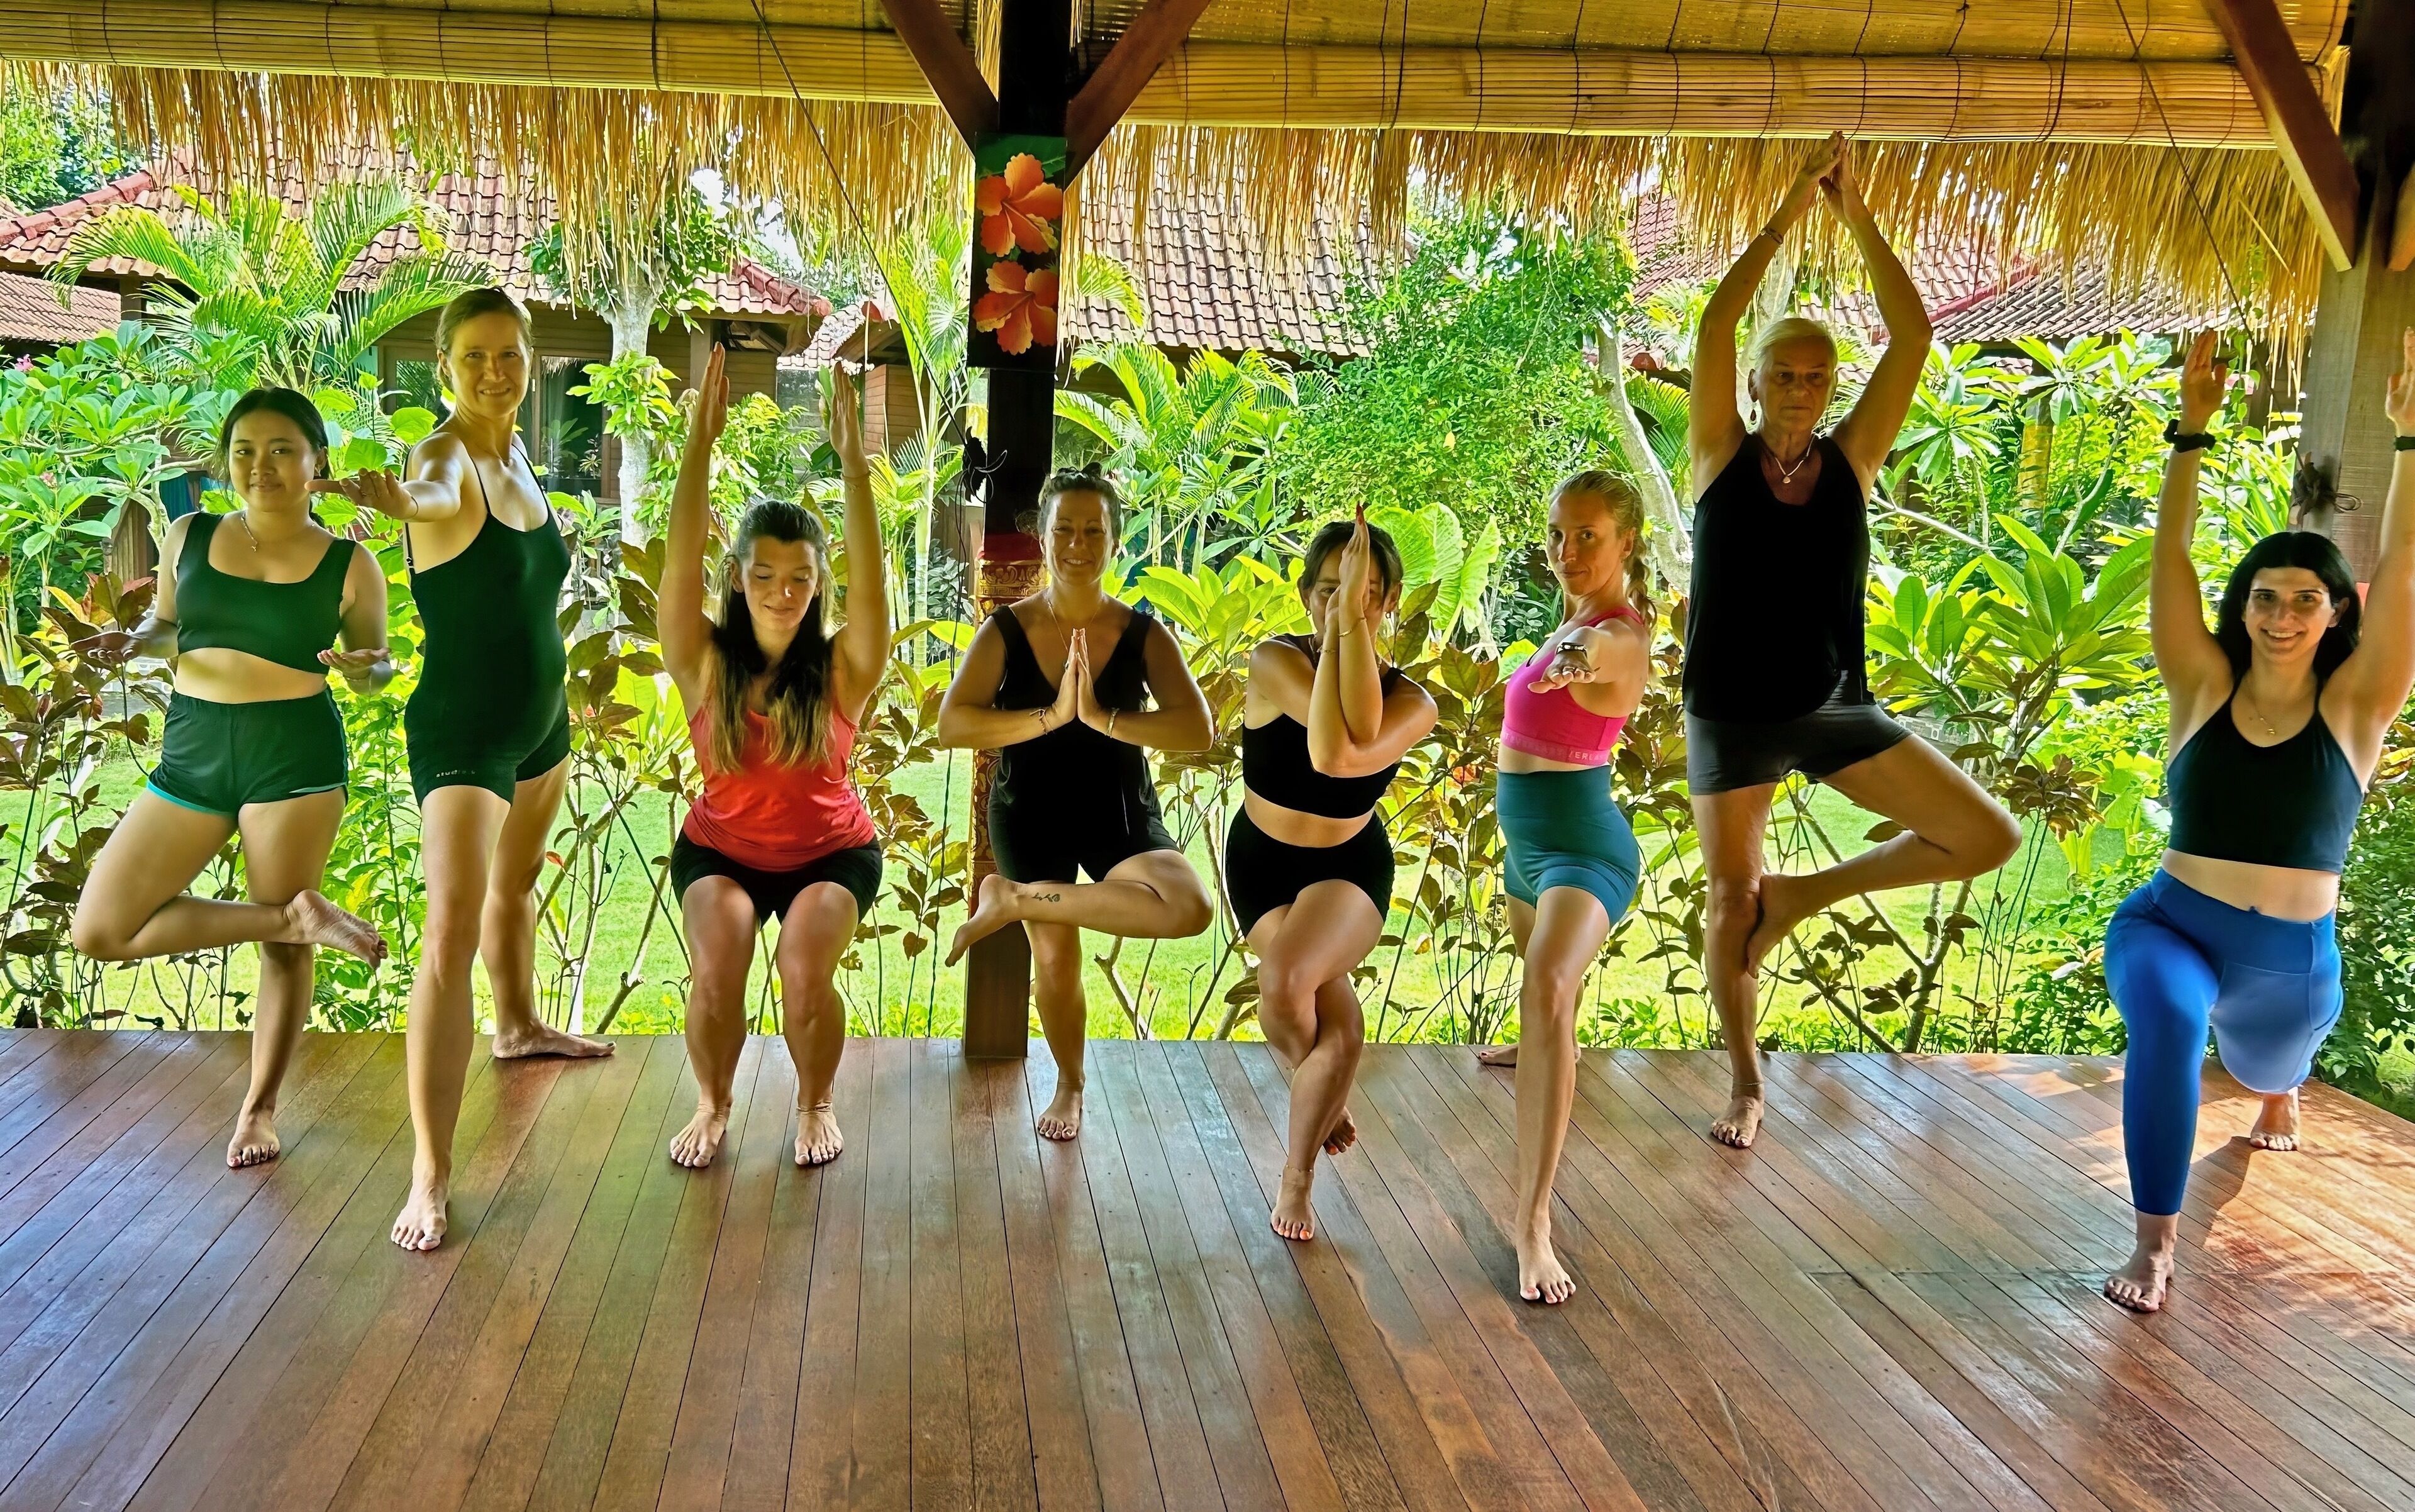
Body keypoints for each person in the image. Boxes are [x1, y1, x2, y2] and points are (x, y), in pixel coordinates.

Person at [1684, 133, 2020, 1150]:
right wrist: (1789, 208)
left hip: (1833, 706)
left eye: (1814, 374)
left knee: (1987, 837)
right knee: (1728, 896)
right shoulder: (1717, 453)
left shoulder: (1853, 458)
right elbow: (1714, 320)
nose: (1798, 387)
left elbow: (1912, 336)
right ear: (1753, 383)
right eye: (1782, 372)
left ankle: (1806, 898)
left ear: (1830, 386)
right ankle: (1746, 1081)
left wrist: (1857, 214)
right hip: (1733, 714)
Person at [2101, 331, 2415, 1313]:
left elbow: (2407, 577)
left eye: (2306, 601)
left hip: (2290, 966)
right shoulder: (2200, 684)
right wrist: (2187, 435)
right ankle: (2155, 1245)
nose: (2283, 616)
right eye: (2267, 599)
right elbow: (2172, 566)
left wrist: (2409, 438)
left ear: (2334, 614)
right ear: (2245, 610)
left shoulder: (2358, 707)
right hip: (2173, 925)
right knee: (2164, 1017)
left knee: (2269, 1066)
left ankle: (2281, 1087)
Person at [323, 287, 611, 1253]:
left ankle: (520, 1024)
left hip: (539, 726)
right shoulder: (444, 457)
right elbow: (428, 499)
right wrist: (391, 500)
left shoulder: (518, 453)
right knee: (449, 931)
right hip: (463, 733)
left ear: (531, 362)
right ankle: (430, 1175)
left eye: (511, 355)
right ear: (444, 365)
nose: (495, 372)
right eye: (476, 357)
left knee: (517, 887)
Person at [70, 388, 391, 1170]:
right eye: (245, 449)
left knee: (285, 955)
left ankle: (259, 1109)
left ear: (316, 460)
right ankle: (292, 917)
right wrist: (138, 637)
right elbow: (169, 625)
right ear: (226, 461)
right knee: (101, 929)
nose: (261, 465)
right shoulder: (188, 535)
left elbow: (376, 665)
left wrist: (367, 668)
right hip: (194, 752)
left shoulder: (352, 564)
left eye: (282, 448)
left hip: (295, 757)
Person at [657, 347, 886, 1169]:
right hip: (722, 848)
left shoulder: (844, 668)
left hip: (833, 854)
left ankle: (815, 1100)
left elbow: (876, 596)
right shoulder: (702, 659)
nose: (783, 593)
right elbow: (678, 567)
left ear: (820, 584)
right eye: (765, 577)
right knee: (718, 958)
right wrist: (698, 448)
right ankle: (714, 1103)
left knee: (802, 960)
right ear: (739, 580)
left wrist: (857, 472)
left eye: (800, 579)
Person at [939, 465, 1216, 1138]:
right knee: (1057, 962)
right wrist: (1052, 716)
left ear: (1116, 540)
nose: (1078, 542)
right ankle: (1070, 1083)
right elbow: (954, 724)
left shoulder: (1143, 634)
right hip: (1030, 811)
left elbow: (1196, 730)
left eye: (1094, 529)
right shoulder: (1007, 629)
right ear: (1043, 535)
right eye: (1064, 527)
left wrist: (1104, 720)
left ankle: (1015, 899)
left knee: (1190, 906)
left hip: (1119, 810)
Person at [1462, 474, 1657, 1302]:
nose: (1567, 553)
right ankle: (1542, 1042)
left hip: (1585, 850)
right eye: (1557, 536)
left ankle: (1534, 1226)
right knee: (1546, 1005)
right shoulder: (1572, 619)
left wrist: (1560, 666)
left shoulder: (1620, 634)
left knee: (1546, 986)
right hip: (1527, 850)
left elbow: (1594, 662)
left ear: (1627, 543)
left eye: (1588, 537)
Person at [1232, 510, 1436, 1240]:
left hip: (1348, 867)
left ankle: (1296, 1179)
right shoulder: (1274, 661)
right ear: (1303, 594)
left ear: (1390, 602)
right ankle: (1329, 1096)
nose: (1342, 600)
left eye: (1364, 589)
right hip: (1262, 861)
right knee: (1337, 1031)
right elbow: (1328, 732)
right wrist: (1345, 628)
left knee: (1285, 983)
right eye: (1328, 588)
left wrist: (1350, 628)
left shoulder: (1417, 702)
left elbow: (1339, 756)